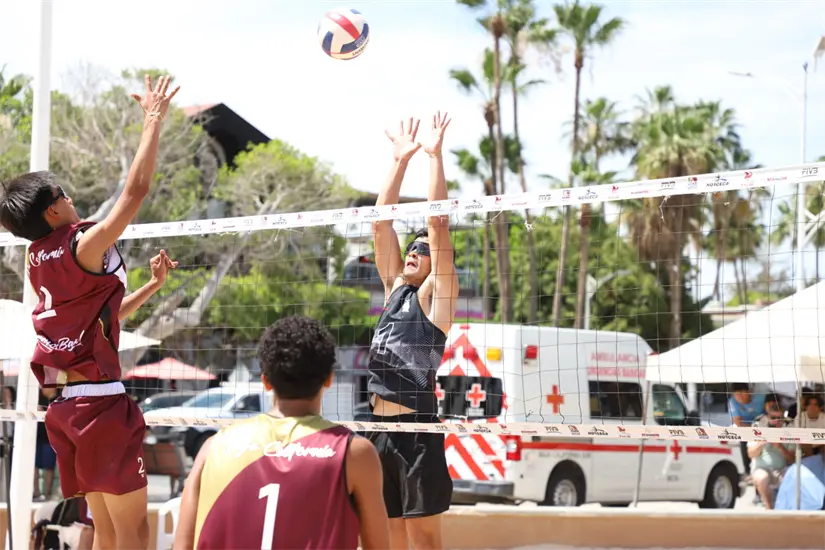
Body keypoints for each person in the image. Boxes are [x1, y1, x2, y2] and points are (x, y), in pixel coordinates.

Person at [0, 75, 180, 550]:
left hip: (65, 408)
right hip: (99, 407)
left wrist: (151, 287)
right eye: (61, 192)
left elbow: (102, 314)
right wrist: (153, 120)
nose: (70, 196)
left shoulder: (36, 258)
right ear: (53, 209)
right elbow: (135, 193)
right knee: (133, 533)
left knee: (103, 530)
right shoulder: (80, 242)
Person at [173, 315, 390, 550]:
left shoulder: (213, 448)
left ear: (265, 381)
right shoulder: (355, 454)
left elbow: (182, 545)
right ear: (329, 379)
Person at [366, 112, 459, 550]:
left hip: (418, 431)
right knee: (384, 539)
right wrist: (400, 160)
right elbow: (380, 224)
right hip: (376, 430)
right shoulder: (394, 290)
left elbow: (438, 224)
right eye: (413, 246)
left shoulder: (436, 298)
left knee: (422, 541)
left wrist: (434, 156)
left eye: (424, 250)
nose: (416, 251)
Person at [748, 394, 795, 509]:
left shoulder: (789, 428)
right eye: (773, 418)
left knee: (793, 479)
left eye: (779, 419)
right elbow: (750, 454)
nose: (776, 422)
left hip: (782, 469)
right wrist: (762, 441)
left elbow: (792, 460)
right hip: (761, 469)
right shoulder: (758, 425)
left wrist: (780, 447)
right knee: (762, 478)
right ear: (768, 417)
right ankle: (769, 510)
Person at [728, 383, 765, 477]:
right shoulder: (732, 402)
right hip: (746, 428)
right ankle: (747, 471)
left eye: (741, 393)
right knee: (742, 437)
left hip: (763, 426)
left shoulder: (761, 398)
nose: (739, 396)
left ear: (749, 392)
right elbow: (738, 423)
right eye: (736, 394)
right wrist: (753, 429)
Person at [34, 388, 58, 501]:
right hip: (36, 438)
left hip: (50, 439)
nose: (42, 387)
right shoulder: (37, 398)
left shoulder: (59, 399)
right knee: (34, 466)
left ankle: (47, 494)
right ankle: (36, 492)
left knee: (49, 467)